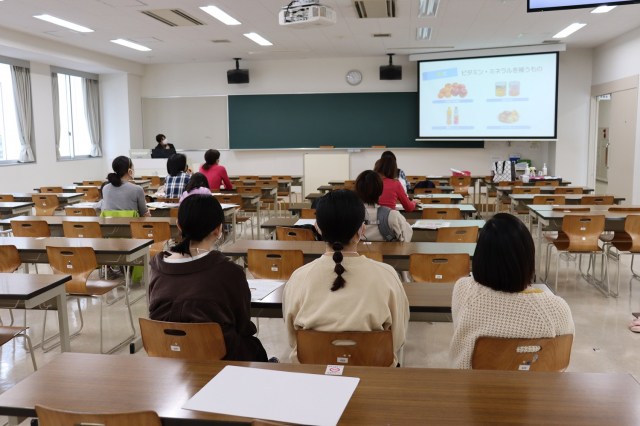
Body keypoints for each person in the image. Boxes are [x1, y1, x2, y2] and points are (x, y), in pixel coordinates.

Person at [283, 189, 409, 366]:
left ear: (317, 228)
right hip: (376, 375)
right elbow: (397, 339)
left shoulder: (299, 277)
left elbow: (293, 339)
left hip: (313, 374)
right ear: (361, 230)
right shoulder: (387, 276)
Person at [149, 194, 270, 362]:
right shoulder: (230, 272)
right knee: (254, 345)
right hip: (219, 355)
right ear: (218, 229)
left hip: (168, 352)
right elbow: (243, 325)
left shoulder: (157, 266)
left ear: (179, 226)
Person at [449, 213, 575, 369]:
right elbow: (559, 366)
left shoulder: (463, 289)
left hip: (471, 389)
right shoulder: (557, 309)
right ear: (528, 258)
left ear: (480, 257)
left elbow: (461, 336)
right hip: (533, 392)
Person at [354, 170, 413, 242]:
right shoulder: (393, 216)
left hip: (357, 253)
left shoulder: (347, 215)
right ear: (381, 192)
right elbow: (406, 238)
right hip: (389, 253)